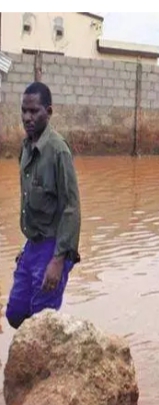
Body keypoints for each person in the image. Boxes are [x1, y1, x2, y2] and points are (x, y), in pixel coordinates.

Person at [6, 82, 81, 330]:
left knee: (41, 325)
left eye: (34, 111)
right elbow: (31, 203)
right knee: (15, 314)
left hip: (53, 247)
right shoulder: (26, 149)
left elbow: (72, 208)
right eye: (24, 111)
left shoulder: (59, 151)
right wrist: (25, 249)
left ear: (48, 112)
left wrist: (58, 260)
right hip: (33, 246)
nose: (27, 117)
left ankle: (49, 362)